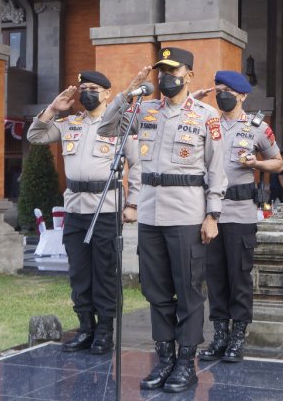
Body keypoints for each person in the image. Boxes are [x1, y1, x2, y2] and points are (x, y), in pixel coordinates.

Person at [99, 47, 227, 393]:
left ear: (190, 75)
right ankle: (165, 360)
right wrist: (129, 91)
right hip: (151, 213)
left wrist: (213, 214)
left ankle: (186, 363)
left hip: (187, 213)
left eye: (173, 70)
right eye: (162, 71)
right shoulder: (146, 109)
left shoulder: (206, 115)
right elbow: (106, 127)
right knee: (156, 291)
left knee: (187, 291)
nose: (166, 77)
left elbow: (217, 170)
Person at [27, 70, 147, 355]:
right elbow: (36, 136)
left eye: (94, 88)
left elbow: (138, 164)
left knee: (104, 272)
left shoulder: (120, 124)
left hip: (106, 208)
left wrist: (132, 204)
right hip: (75, 208)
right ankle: (85, 328)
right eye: (84, 88)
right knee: (79, 272)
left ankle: (104, 331)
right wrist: (54, 109)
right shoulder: (71, 123)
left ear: (107, 93)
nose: (87, 93)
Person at [191, 71, 283, 363]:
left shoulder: (257, 127)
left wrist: (256, 162)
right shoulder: (207, 123)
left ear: (242, 95)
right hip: (209, 214)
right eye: (218, 89)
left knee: (239, 277)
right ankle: (219, 335)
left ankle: (238, 338)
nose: (221, 94)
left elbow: (278, 163)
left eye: (227, 90)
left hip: (240, 214)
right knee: (215, 277)